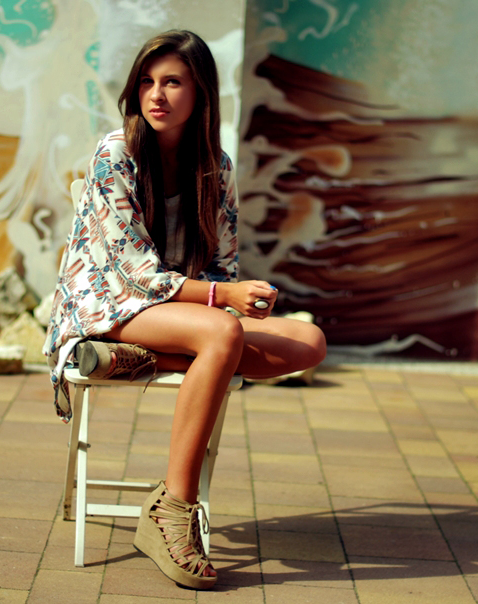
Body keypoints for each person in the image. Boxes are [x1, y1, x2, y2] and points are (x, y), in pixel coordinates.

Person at [43, 29, 327, 590]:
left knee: (308, 343)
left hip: (175, 313)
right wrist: (223, 301)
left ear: (201, 92)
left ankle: (151, 357)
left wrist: (235, 296)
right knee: (221, 335)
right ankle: (173, 509)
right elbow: (135, 274)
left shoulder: (215, 167)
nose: (156, 95)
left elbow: (221, 264)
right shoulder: (116, 154)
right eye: (147, 82)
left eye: (172, 82)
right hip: (106, 305)